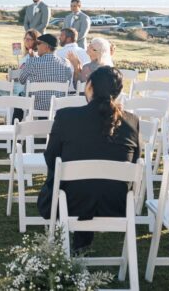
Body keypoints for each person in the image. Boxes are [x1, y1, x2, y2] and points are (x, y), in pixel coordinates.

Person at [37, 66, 140, 252]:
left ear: (89, 86)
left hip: (70, 202)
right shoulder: (132, 121)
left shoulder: (66, 116)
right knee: (92, 185)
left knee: (71, 184)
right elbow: (134, 161)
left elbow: (51, 157)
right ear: (118, 92)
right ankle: (82, 242)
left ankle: (80, 241)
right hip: (116, 203)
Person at [14, 33, 72, 119]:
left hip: (35, 106)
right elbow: (68, 83)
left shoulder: (32, 62)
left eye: (38, 43)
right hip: (57, 106)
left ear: (46, 47)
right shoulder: (66, 63)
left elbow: (22, 80)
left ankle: (14, 128)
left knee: (19, 98)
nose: (36, 46)